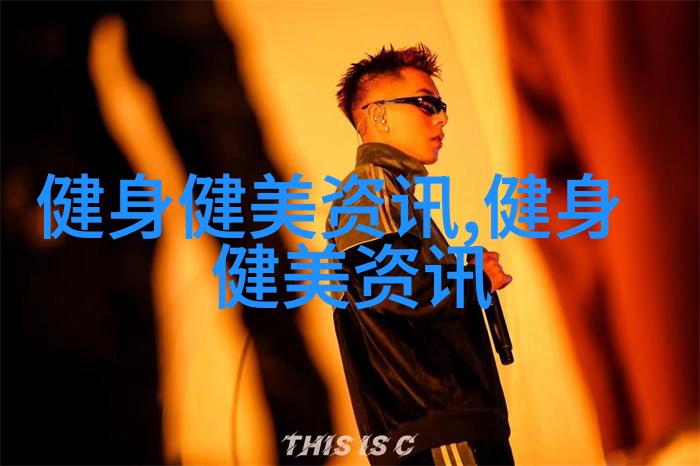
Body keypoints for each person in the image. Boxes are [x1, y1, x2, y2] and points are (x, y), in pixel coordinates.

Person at [325, 44, 515, 465]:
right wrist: (473, 276)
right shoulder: (366, 191)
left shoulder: (389, 192)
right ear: (379, 115)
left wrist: (463, 267)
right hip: (436, 427)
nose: (442, 118)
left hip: (444, 423)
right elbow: (391, 285)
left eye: (441, 107)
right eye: (427, 104)